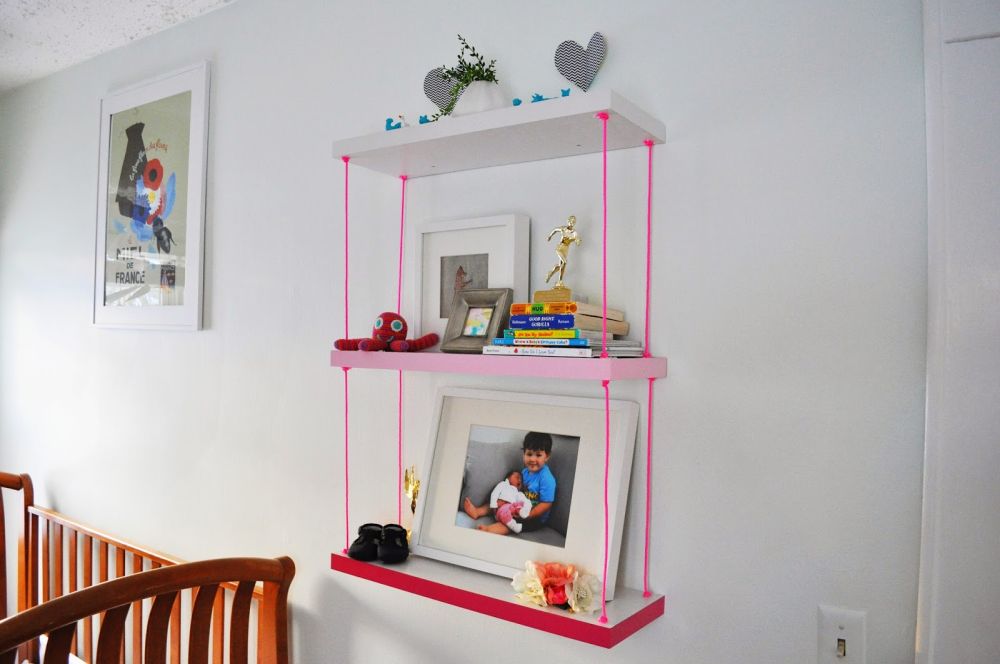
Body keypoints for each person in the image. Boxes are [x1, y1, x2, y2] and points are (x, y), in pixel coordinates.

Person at [463, 431, 556, 536]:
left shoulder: (547, 478)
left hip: (535, 517)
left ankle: (488, 530)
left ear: (547, 456)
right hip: (517, 505)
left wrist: (530, 514)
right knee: (499, 502)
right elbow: (518, 491)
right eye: (529, 454)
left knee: (510, 523)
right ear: (524, 453)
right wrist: (505, 499)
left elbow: (546, 504)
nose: (532, 459)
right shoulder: (525, 472)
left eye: (538, 455)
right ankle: (477, 512)